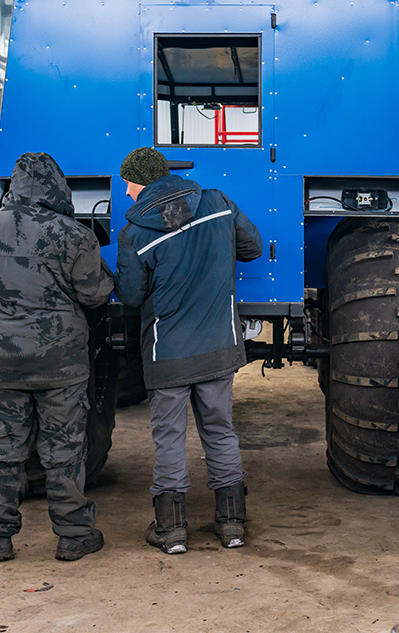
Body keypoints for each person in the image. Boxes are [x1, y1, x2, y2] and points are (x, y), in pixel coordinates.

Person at [0, 152, 114, 563]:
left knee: (3, 446)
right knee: (64, 449)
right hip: (60, 364)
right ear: (57, 187)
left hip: (3, 363)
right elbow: (95, 295)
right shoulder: (75, 236)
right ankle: (74, 535)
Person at [114, 147, 262, 553]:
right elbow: (252, 249)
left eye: (127, 183)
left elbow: (129, 296)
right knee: (220, 431)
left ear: (140, 181)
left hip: (168, 355)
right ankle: (232, 525)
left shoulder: (134, 235)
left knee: (168, 438)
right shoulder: (217, 204)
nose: (126, 193)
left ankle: (172, 528)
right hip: (218, 347)